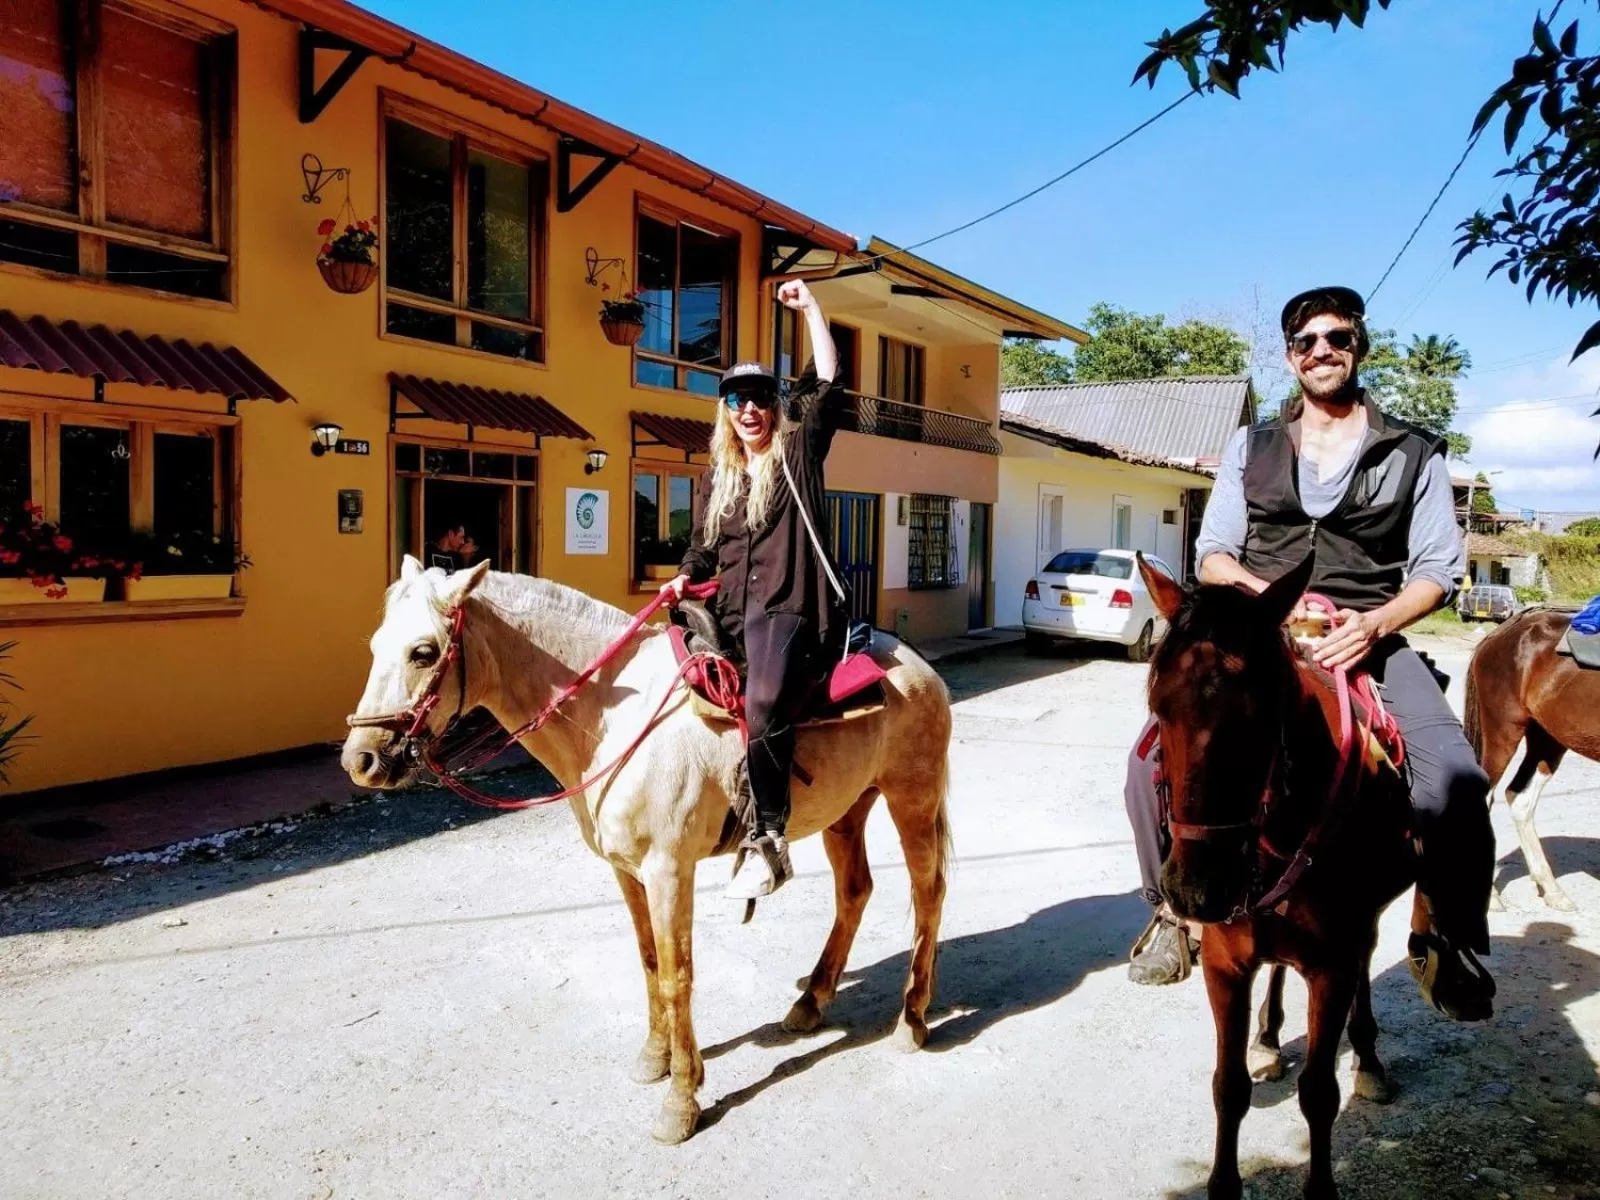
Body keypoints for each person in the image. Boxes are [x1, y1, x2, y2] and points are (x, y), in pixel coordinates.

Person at [1123, 285, 1497, 1022]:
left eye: (1336, 337)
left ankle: (1445, 940)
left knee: (1454, 783)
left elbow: (1437, 572)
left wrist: (1376, 621)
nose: (1322, 350)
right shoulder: (1251, 444)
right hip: (1261, 635)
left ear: (1359, 346)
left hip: (1369, 636)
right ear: (1291, 356)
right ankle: (1172, 914)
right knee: (1145, 769)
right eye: (1306, 341)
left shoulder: (1413, 452)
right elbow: (1214, 556)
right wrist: (1276, 602)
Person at [661, 279, 850, 900]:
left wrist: (812, 311)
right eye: (737, 400)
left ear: (774, 406)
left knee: (765, 702)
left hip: (789, 608)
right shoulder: (718, 477)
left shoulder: (796, 454)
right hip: (732, 611)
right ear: (726, 410)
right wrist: (684, 575)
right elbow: (702, 547)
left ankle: (770, 834)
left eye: (759, 398)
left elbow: (827, 384)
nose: (748, 409)